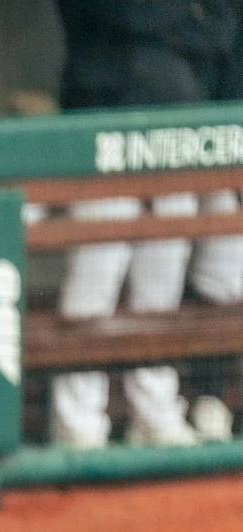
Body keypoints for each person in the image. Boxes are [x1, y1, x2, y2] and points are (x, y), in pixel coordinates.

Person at [50, 0, 242, 448]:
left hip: (176, 129)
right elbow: (121, 16)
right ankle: (76, 420)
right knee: (96, 273)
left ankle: (154, 410)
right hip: (104, 121)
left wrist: (174, 25)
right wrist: (185, 21)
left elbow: (222, 28)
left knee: (163, 277)